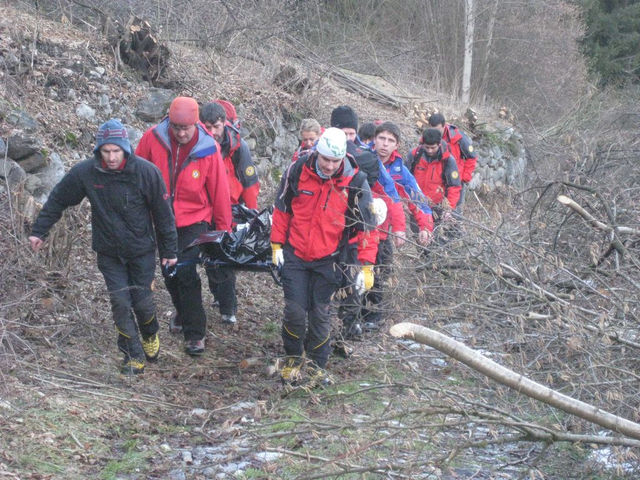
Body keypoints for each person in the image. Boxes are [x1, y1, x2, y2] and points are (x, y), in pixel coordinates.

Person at [28, 119, 178, 375]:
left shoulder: (146, 172)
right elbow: (58, 199)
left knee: (142, 303)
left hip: (141, 249)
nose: (110, 157)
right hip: (109, 251)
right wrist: (40, 231)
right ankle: (133, 355)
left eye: (116, 151)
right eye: (105, 151)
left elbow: (163, 214)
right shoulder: (86, 173)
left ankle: (150, 334)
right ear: (99, 150)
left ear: (126, 150)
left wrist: (170, 251)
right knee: (120, 303)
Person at [271, 127, 375, 386]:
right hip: (295, 254)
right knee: (294, 311)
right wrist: (276, 245)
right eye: (325, 159)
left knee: (320, 314)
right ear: (317, 152)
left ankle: (317, 366)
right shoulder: (296, 171)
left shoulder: (356, 182)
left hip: (330, 258)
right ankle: (293, 360)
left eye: (334, 161)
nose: (329, 166)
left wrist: (367, 267)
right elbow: (282, 209)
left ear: (342, 158)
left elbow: (367, 228)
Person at [135, 97, 232, 356]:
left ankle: (195, 333)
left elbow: (220, 192)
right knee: (169, 273)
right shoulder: (151, 139)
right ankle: (182, 310)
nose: (180, 133)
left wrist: (223, 231)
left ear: (195, 124)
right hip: (160, 217)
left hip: (194, 220)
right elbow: (135, 175)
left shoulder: (208, 148)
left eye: (185, 128)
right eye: (176, 127)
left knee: (186, 273)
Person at [362, 121, 434, 331]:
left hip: (383, 234)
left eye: (390, 141)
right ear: (374, 139)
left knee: (380, 276)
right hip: (356, 230)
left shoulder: (399, 170)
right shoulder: (361, 157)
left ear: (397, 145)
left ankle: (373, 320)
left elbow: (418, 199)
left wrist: (425, 226)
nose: (385, 144)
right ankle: (350, 316)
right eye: (381, 138)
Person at [199, 101, 260, 325]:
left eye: (217, 127)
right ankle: (219, 296)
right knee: (209, 257)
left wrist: (251, 217)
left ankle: (228, 306)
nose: (213, 132)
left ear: (224, 124)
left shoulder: (238, 148)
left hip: (232, 208)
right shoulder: (200, 145)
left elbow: (250, 183)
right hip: (205, 208)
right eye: (208, 127)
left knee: (223, 257)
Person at [428, 113, 477, 211]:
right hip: (437, 182)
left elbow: (472, 157)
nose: (435, 134)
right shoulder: (428, 138)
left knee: (454, 215)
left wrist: (464, 178)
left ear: (444, 125)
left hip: (455, 181)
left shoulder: (458, 137)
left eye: (437, 130)